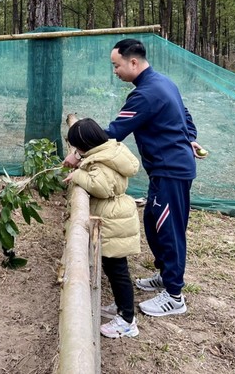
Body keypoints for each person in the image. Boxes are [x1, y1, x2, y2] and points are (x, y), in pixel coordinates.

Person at [104, 38, 206, 318]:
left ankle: (174, 296)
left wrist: (80, 146)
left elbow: (114, 131)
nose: (115, 71)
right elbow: (184, 115)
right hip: (168, 168)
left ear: (133, 62)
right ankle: (165, 275)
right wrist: (190, 138)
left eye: (117, 65)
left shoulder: (145, 94)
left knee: (169, 230)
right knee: (153, 222)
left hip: (170, 171)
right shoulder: (163, 82)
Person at [63, 118, 141, 338]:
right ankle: (120, 307)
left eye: (78, 147)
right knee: (112, 267)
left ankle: (127, 321)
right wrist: (79, 161)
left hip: (113, 220)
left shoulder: (101, 161)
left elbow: (101, 186)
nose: (77, 151)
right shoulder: (108, 150)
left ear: (86, 144)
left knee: (118, 272)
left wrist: (78, 174)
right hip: (115, 216)